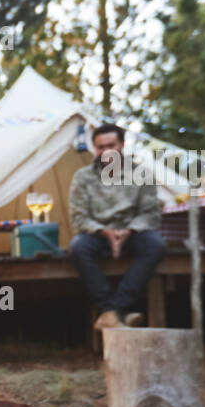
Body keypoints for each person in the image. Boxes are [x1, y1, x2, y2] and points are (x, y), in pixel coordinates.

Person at [67, 122, 165, 330]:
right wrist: (106, 232)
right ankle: (116, 312)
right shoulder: (82, 177)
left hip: (133, 233)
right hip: (97, 234)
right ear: (95, 149)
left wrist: (128, 231)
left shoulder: (141, 173)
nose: (106, 151)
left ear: (121, 145)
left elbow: (150, 213)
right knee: (78, 246)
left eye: (111, 145)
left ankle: (113, 311)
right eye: (101, 147)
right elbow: (79, 217)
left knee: (155, 244)